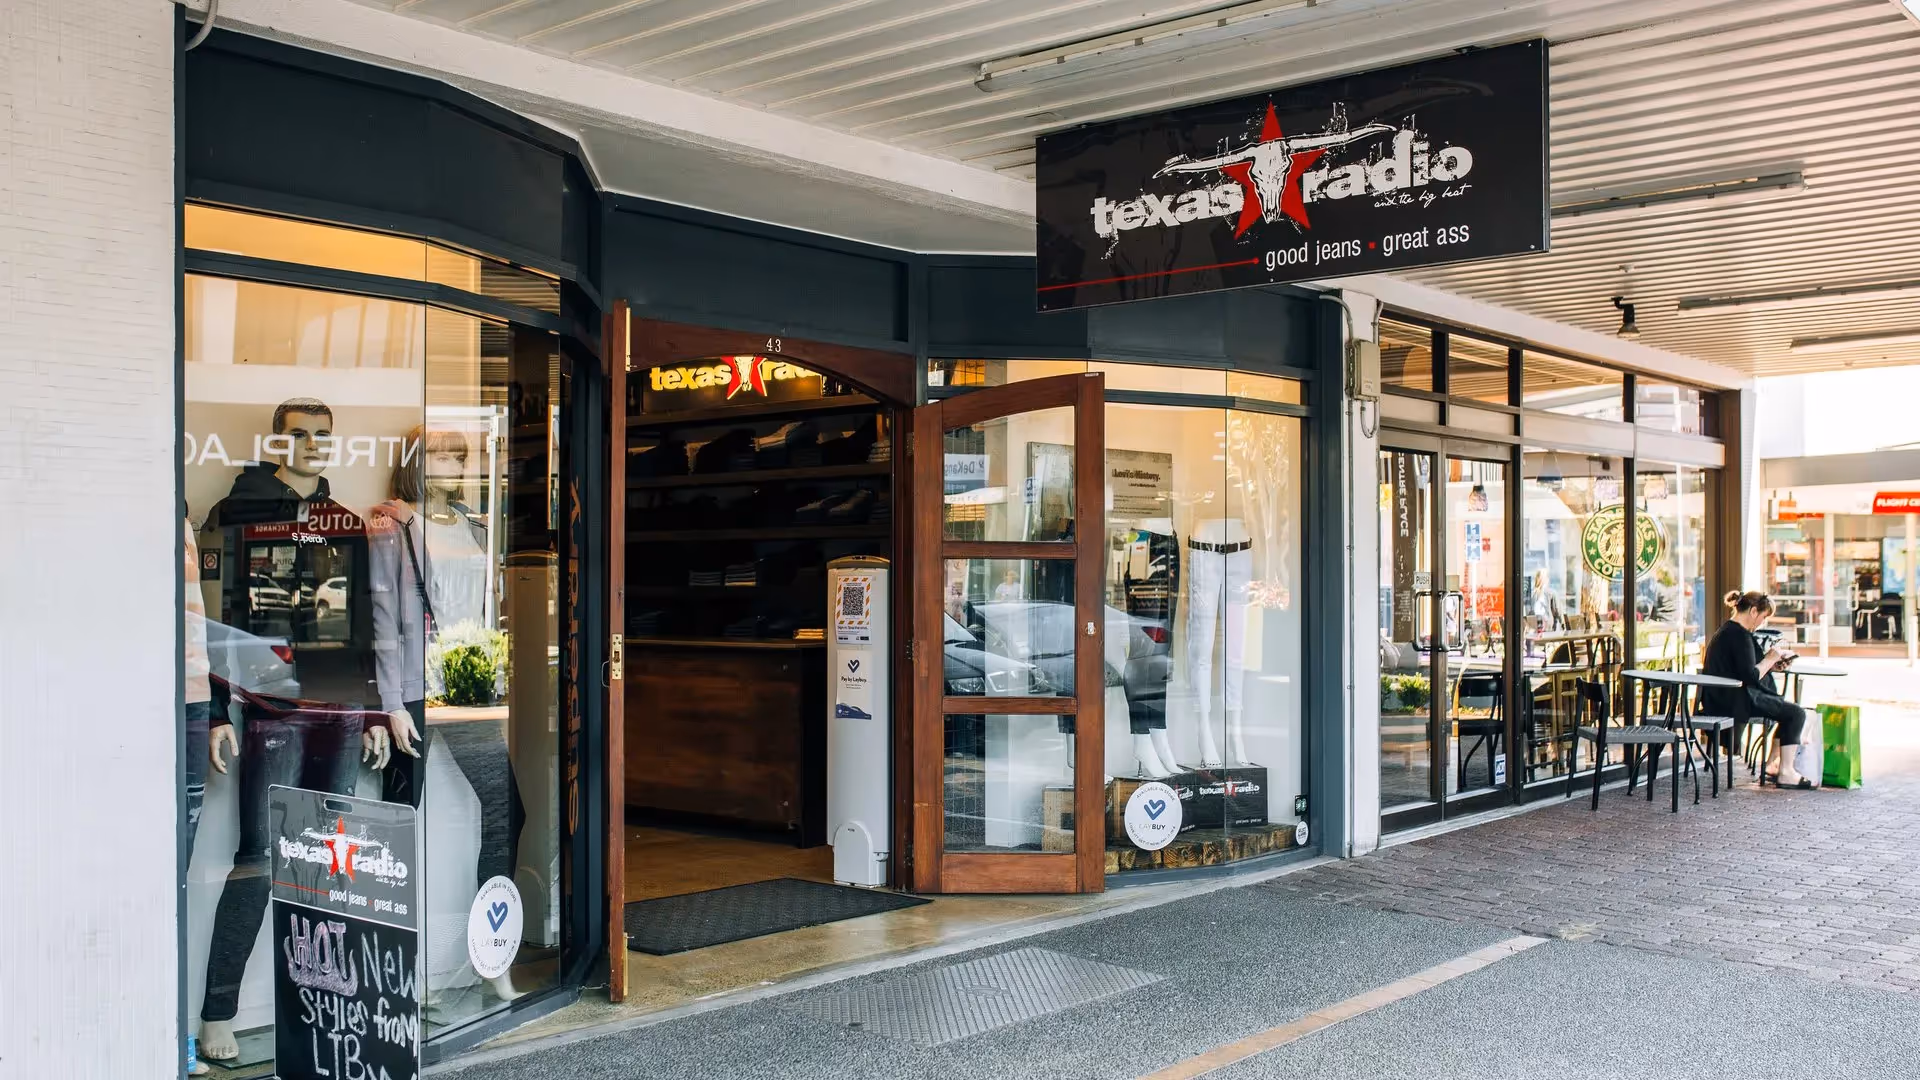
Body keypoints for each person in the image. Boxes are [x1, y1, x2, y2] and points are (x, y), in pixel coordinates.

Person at [1702, 589, 1812, 789]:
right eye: (1763, 617)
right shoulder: (1739, 636)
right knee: (1795, 713)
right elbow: (1750, 676)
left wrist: (1772, 664)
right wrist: (1770, 658)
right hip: (1733, 700)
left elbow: (1745, 669)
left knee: (1789, 712)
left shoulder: (1729, 631)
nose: (1762, 622)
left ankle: (1773, 765)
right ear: (1753, 611)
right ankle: (1784, 771)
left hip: (1725, 697)